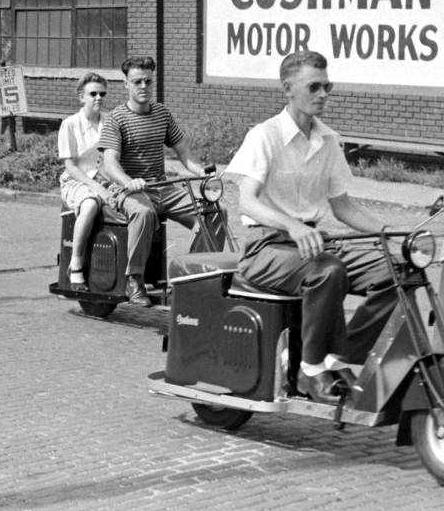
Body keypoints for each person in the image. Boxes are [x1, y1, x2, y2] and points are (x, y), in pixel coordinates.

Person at [227, 50, 400, 402]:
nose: (323, 94)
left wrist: (389, 232)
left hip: (312, 244)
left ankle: (339, 356)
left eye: (327, 86)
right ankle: (310, 370)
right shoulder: (266, 135)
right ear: (288, 88)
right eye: (314, 86)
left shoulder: (329, 140)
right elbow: (247, 201)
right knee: (328, 271)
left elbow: (343, 205)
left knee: (398, 270)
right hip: (267, 247)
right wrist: (293, 226)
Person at [98, 55, 205, 307]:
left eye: (147, 81)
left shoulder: (162, 114)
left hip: (161, 187)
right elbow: (109, 163)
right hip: (127, 190)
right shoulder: (116, 119)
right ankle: (134, 280)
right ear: (126, 84)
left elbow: (185, 153)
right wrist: (128, 181)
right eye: (137, 82)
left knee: (212, 213)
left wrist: (201, 172)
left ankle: (197, 276)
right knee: (144, 213)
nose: (143, 86)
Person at [58, 72, 112, 292]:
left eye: (102, 94)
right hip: (77, 181)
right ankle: (76, 263)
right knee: (90, 204)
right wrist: (96, 186)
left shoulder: (110, 122)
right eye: (93, 94)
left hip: (107, 180)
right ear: (82, 97)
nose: (98, 98)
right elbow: (70, 166)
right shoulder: (70, 125)